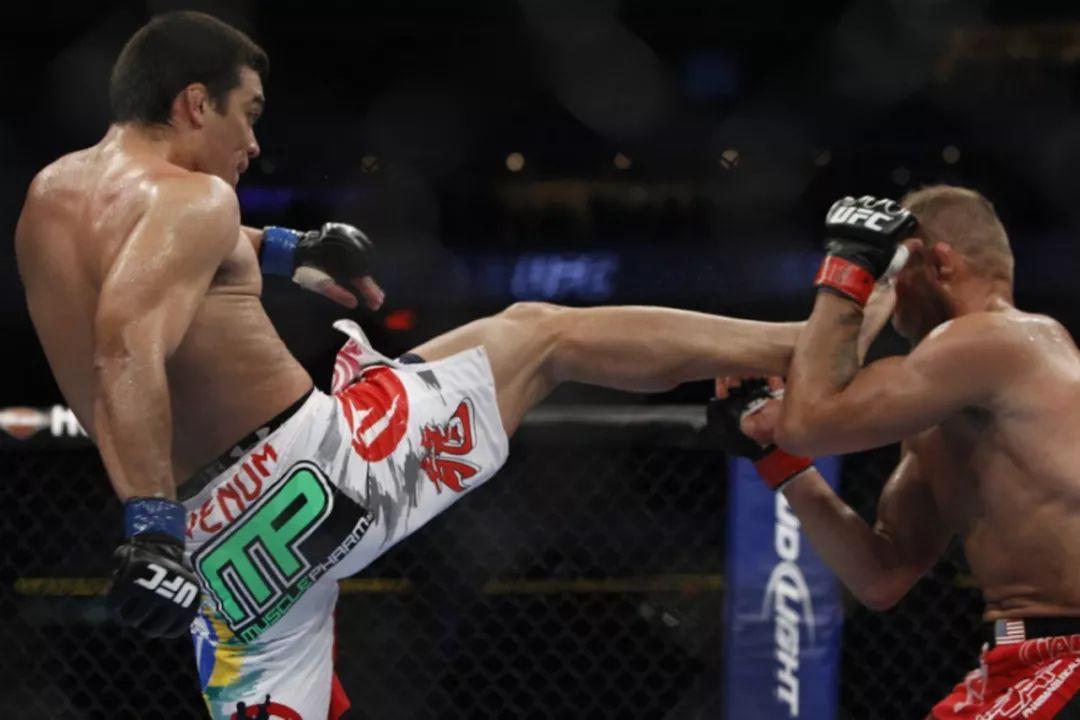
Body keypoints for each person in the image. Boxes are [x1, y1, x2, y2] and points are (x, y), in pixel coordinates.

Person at [13, 11, 821, 718]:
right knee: (541, 334)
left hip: (220, 559)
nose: (253, 143)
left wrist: (292, 248)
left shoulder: (51, 199)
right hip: (312, 483)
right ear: (195, 103)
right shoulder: (198, 198)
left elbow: (162, 263)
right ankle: (799, 345)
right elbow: (126, 347)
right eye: (247, 114)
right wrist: (148, 530)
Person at [707, 188, 1080, 718]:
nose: (881, 289)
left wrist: (848, 270)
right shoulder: (940, 420)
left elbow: (808, 423)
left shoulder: (999, 337)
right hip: (1023, 658)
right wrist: (777, 460)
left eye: (891, 270)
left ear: (939, 264)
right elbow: (881, 576)